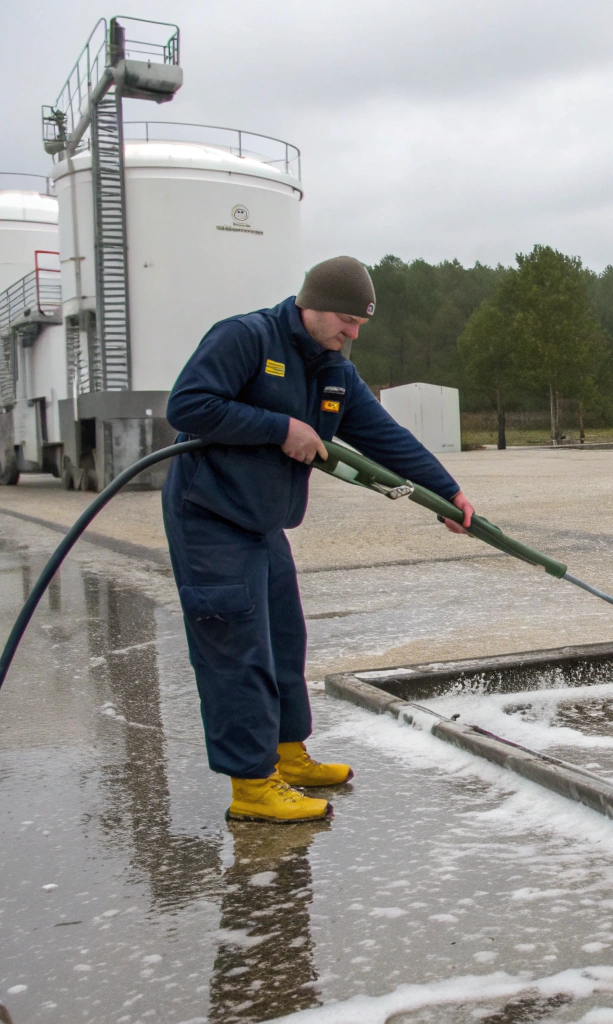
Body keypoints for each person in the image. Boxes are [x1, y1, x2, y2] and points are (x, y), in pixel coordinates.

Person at [164, 256, 475, 823]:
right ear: (310, 303)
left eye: (361, 325)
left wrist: (447, 493)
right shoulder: (245, 338)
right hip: (210, 515)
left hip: (263, 520)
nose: (352, 334)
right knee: (237, 649)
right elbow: (187, 406)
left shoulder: (334, 370)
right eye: (345, 319)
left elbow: (387, 437)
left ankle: (287, 755)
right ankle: (253, 787)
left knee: (284, 638)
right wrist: (281, 428)